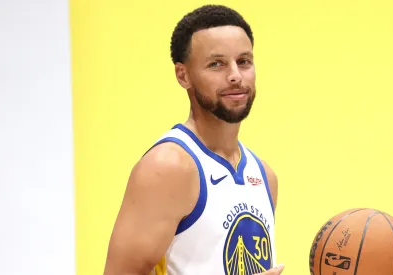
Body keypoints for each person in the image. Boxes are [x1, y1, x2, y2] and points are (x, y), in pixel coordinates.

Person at [103, 4, 284, 275]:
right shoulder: (168, 167)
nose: (235, 75)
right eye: (217, 64)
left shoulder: (264, 176)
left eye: (244, 61)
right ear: (183, 75)